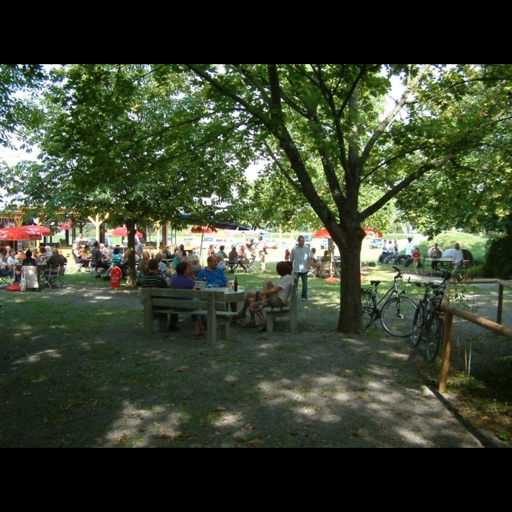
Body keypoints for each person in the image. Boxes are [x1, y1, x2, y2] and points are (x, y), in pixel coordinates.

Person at [234, 261, 294, 332]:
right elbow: (275, 290)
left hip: (277, 300)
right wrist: (264, 293)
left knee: (266, 280)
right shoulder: (285, 277)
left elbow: (275, 290)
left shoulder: (287, 277)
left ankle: (248, 310)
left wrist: (264, 293)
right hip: (275, 298)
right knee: (250, 300)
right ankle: (259, 321)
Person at [168, 260, 204, 335]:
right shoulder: (189, 281)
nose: (189, 270)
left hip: (174, 306)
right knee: (197, 302)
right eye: (188, 268)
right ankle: (197, 328)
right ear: (185, 270)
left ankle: (173, 324)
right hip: (187, 306)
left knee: (176, 299)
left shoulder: (173, 280)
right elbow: (195, 293)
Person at [290, 235, 313, 300]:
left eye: (303, 241)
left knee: (305, 284)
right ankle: (294, 296)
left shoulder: (307, 248)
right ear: (298, 241)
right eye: (301, 241)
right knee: (294, 284)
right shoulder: (294, 249)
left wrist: (309, 264)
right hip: (296, 269)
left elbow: (311, 257)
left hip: (304, 269)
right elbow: (291, 259)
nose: (302, 242)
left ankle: (304, 296)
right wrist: (290, 268)